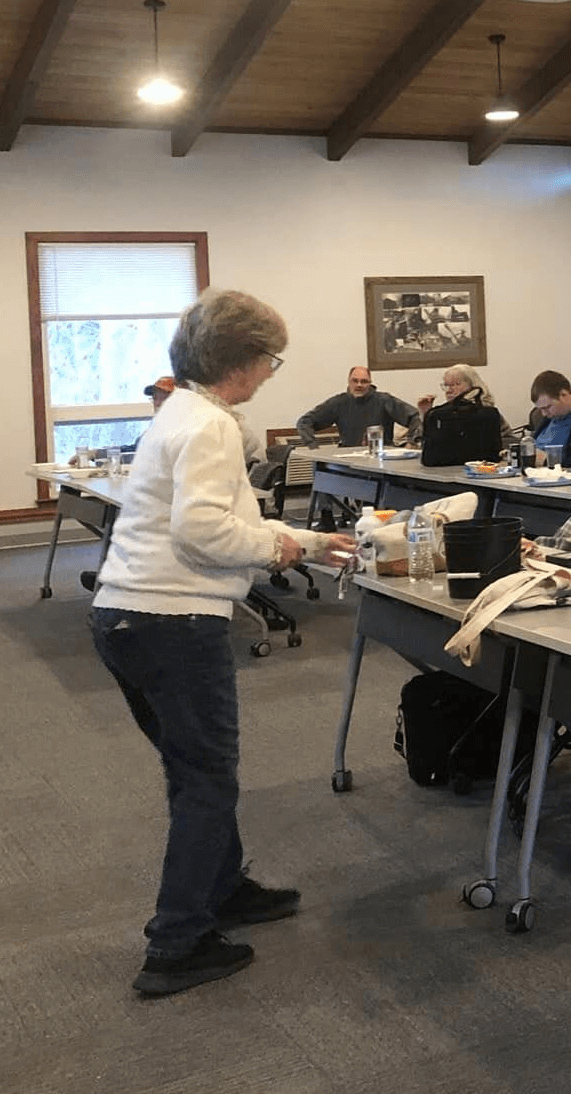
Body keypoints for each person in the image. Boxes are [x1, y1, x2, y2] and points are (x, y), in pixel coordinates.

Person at [91, 289, 355, 996]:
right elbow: (203, 533)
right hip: (172, 622)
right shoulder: (208, 426)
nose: (272, 372)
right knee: (205, 779)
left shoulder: (182, 409)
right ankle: (176, 943)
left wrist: (299, 540)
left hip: (128, 616)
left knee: (193, 768)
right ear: (241, 361)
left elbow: (202, 524)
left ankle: (223, 889)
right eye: (270, 359)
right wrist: (286, 547)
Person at [296, 365, 420, 448]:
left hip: (381, 459)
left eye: (364, 381)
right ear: (349, 382)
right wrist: (313, 446)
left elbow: (415, 416)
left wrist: (411, 442)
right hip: (349, 460)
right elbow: (304, 422)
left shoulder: (384, 401)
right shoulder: (339, 403)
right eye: (355, 381)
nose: (359, 385)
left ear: (370, 383)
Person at [426, 363, 517, 451]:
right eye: (446, 385)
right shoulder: (442, 413)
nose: (449, 390)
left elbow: (510, 441)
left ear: (472, 386)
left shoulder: (485, 411)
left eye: (456, 384)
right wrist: (426, 412)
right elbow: (428, 443)